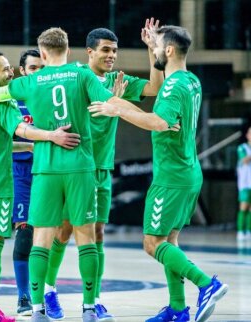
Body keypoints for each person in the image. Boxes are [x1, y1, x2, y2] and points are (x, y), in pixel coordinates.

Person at [0, 27, 160, 322]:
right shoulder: (82, 75)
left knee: (41, 238)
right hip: (81, 167)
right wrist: (128, 107)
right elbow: (108, 103)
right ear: (69, 50)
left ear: (42, 54)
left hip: (45, 169)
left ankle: (36, 310)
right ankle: (88, 308)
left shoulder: (30, 81)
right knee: (89, 238)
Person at [88, 25, 228, 322]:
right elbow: (164, 113)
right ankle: (177, 309)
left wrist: (118, 110)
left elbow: (159, 122)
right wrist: (122, 102)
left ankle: (206, 284)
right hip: (188, 171)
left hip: (171, 177)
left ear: (169, 51)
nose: (152, 50)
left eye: (156, 47)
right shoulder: (191, 81)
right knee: (170, 240)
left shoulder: (173, 86)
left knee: (153, 243)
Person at [43, 20, 164, 322]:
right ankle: (48, 290)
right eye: (106, 50)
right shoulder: (77, 76)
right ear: (89, 52)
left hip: (102, 168)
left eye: (115, 51)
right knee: (65, 229)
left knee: (98, 232)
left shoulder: (118, 79)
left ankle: (94, 300)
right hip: (74, 166)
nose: (112, 56)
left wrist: (153, 51)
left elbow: (156, 88)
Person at [0, 51, 80, 322]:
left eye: (11, 68)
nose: (11, 73)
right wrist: (51, 136)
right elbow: (21, 130)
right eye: (5, 70)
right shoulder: (5, 104)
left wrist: (37, 145)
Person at [11, 49, 44, 317]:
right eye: (33, 68)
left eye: (41, 68)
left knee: (49, 235)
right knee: (25, 234)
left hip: (48, 172)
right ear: (23, 71)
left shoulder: (51, 98)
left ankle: (44, 294)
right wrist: (30, 145)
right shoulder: (11, 100)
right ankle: (24, 296)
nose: (38, 72)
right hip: (20, 173)